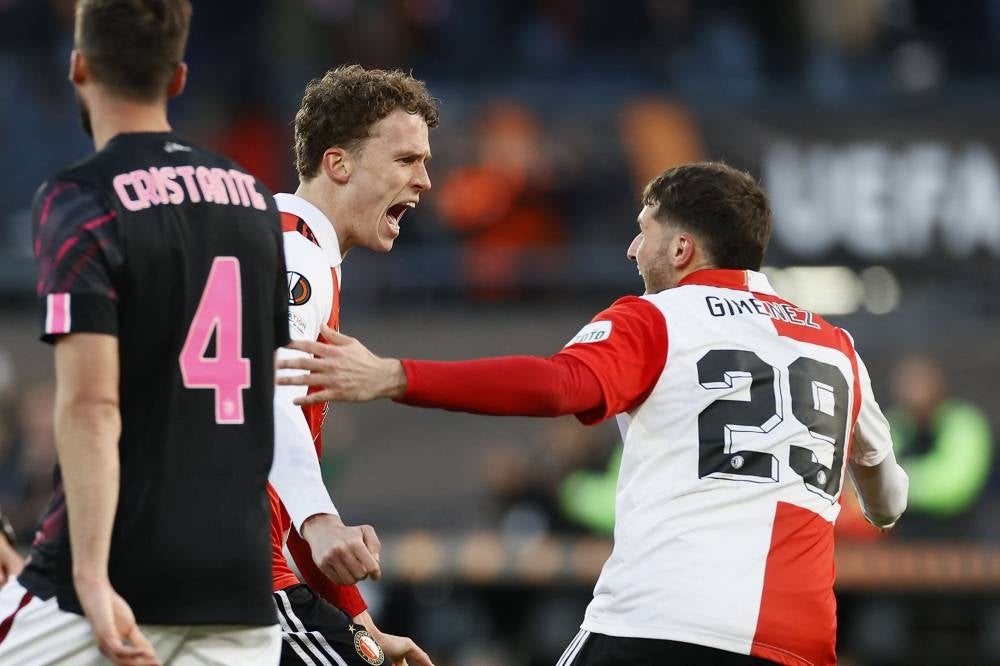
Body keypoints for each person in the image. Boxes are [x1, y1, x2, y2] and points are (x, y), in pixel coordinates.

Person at [277, 162, 910, 665]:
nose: (634, 249)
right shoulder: (837, 347)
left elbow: (560, 386)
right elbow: (888, 499)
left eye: (646, 230)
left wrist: (393, 375)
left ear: (683, 247)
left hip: (661, 625)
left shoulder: (659, 317)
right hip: (798, 643)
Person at [0, 1, 290, 663]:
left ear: (78, 67)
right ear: (179, 78)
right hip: (238, 588)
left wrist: (90, 576)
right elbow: (264, 396)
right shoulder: (253, 199)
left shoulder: (81, 197)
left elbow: (93, 405)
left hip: (117, 573)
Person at [265, 65, 437, 666]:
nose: (425, 180)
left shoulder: (276, 244)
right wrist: (320, 519)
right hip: (229, 573)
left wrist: (360, 622)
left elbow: (275, 479)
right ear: (338, 165)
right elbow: (269, 394)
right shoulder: (296, 257)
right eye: (405, 161)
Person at [887, 353, 993, 538]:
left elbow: (954, 484)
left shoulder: (964, 423)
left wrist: (893, 484)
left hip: (957, 536)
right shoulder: (895, 424)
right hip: (902, 536)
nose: (913, 392)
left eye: (920, 383)